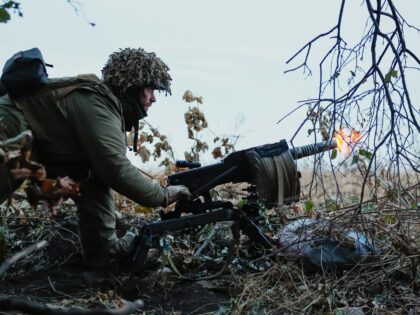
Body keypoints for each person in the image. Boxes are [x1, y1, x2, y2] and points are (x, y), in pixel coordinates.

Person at [0, 47, 191, 268]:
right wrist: (163, 195)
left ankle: (102, 252)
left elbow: (98, 178)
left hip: (36, 139)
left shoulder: (106, 106)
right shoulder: (98, 104)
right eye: (151, 90)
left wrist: (106, 252)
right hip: (10, 123)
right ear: (133, 86)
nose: (154, 99)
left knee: (88, 174)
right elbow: (115, 169)